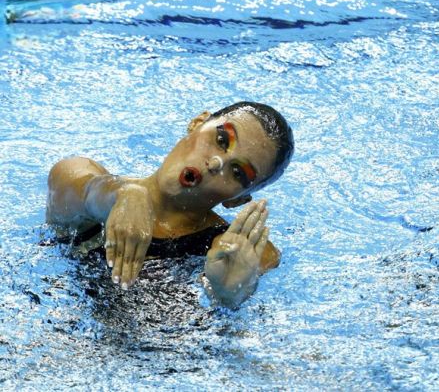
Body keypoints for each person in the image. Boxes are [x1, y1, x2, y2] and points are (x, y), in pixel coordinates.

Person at [46, 101, 294, 308]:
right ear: (197, 123)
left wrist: (227, 295)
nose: (216, 163)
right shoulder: (79, 179)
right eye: (221, 139)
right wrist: (123, 194)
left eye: (238, 172)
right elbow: (81, 188)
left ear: (236, 200)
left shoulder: (240, 252)